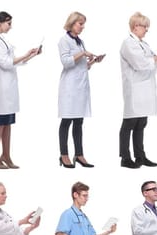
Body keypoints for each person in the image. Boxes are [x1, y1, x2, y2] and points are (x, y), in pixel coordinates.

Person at [0, 11, 41, 169]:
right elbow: (5, 63)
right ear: (0, 23)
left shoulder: (2, 39)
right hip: (2, 84)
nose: (10, 27)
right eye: (8, 23)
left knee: (8, 121)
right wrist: (25, 54)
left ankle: (6, 154)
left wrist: (31, 56)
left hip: (10, 82)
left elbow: (13, 62)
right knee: (0, 120)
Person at [119, 12, 157, 169]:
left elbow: (151, 64)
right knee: (130, 123)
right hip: (134, 89)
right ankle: (125, 158)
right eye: (144, 26)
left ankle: (140, 156)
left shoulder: (144, 44)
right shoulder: (128, 43)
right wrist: (156, 59)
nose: (147, 29)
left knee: (141, 123)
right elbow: (140, 64)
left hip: (145, 89)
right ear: (135, 27)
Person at [57, 12, 103, 168]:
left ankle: (79, 154)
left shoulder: (80, 41)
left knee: (79, 121)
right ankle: (64, 155)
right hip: (69, 87)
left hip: (81, 86)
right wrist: (82, 53)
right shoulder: (64, 41)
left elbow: (82, 66)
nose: (82, 27)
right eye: (80, 24)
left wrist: (93, 62)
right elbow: (66, 62)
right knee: (67, 120)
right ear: (72, 23)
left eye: (83, 24)